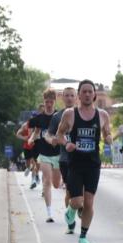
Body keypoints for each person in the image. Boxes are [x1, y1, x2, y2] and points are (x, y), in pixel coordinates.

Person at [54, 80, 113, 243]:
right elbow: (59, 135)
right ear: (79, 95)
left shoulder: (102, 115)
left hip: (93, 164)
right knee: (76, 201)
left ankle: (83, 237)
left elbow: (107, 134)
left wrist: (109, 139)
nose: (87, 94)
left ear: (94, 95)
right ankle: (70, 211)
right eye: (84, 91)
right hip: (75, 163)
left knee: (89, 202)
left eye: (90, 92)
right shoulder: (70, 114)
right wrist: (66, 144)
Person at [47, 87, 80, 233]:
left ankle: (79, 207)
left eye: (72, 95)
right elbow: (48, 134)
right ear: (62, 98)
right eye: (66, 95)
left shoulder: (83, 114)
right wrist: (52, 140)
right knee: (70, 192)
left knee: (83, 193)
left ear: (76, 97)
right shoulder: (57, 116)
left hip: (83, 158)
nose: (69, 98)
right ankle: (70, 222)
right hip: (65, 159)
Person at [28, 90, 63, 222]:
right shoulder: (40, 118)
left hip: (58, 154)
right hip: (44, 154)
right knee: (47, 181)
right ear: (44, 102)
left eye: (51, 102)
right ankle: (49, 213)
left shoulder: (60, 116)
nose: (48, 104)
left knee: (56, 184)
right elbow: (36, 132)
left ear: (54, 102)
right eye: (46, 102)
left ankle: (59, 182)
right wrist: (31, 138)